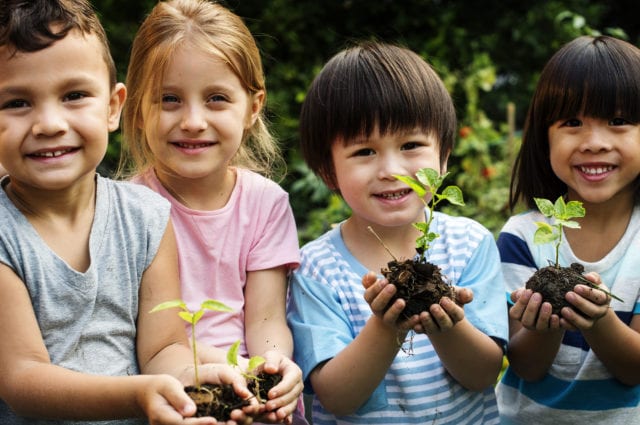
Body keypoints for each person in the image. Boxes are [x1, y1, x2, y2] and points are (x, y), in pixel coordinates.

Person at [0, 1, 256, 424]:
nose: (49, 123)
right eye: (16, 103)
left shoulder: (147, 217)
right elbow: (22, 378)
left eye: (74, 96)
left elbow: (163, 350)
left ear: (114, 107)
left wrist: (212, 377)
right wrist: (140, 394)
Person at [286, 41, 509, 424]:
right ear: (327, 170)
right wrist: (385, 326)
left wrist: (448, 325)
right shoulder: (316, 269)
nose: (391, 169)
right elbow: (337, 398)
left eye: (411, 145)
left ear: (444, 155)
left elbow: (484, 373)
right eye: (364, 152)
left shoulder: (470, 245)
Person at [118, 1, 306, 424]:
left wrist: (272, 367)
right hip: (172, 398)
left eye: (217, 99)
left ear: (252, 107)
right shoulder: (125, 209)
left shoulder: (266, 203)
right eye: (169, 99)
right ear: (137, 108)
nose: (193, 121)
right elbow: (148, 342)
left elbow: (267, 318)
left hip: (250, 399)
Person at [496, 35, 640, 424]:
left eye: (619, 121)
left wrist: (597, 319)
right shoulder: (521, 237)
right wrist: (544, 325)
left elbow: (634, 369)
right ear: (545, 137)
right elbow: (525, 365)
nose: (595, 142)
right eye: (572, 123)